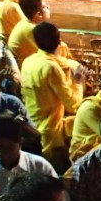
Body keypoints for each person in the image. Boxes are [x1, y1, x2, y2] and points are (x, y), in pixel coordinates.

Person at [19, 22, 84, 167]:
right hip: (50, 130)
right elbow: (74, 105)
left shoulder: (28, 62)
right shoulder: (51, 68)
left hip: (32, 124)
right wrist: (78, 82)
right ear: (59, 42)